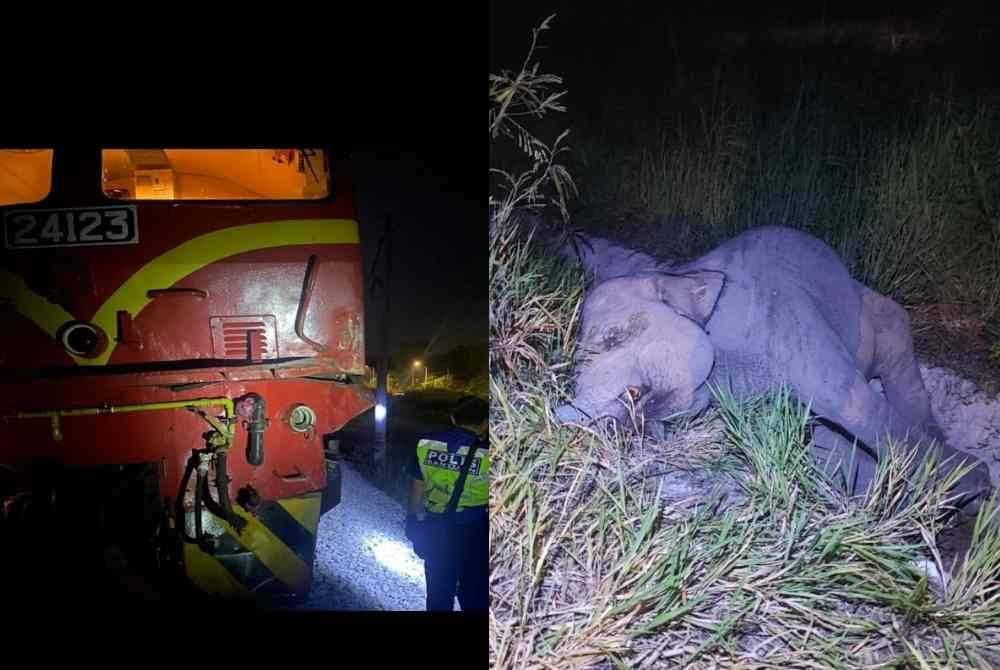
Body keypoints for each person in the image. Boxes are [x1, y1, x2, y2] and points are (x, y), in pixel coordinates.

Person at [405, 395, 489, 612]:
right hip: (476, 531)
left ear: (453, 418)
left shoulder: (426, 444)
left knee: (438, 594)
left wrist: (412, 518)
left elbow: (417, 486)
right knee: (474, 593)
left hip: (438, 527)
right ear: (484, 423)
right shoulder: (489, 451)